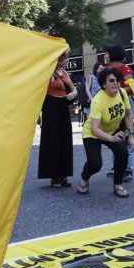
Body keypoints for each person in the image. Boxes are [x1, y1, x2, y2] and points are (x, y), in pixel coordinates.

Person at [77, 68, 134, 198]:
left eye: (118, 80)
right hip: (93, 133)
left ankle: (118, 185)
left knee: (122, 152)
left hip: (113, 129)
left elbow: (128, 116)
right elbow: (95, 129)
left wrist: (131, 136)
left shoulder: (122, 93)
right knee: (95, 164)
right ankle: (84, 178)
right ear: (104, 84)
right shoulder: (98, 101)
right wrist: (111, 138)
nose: (116, 83)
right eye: (112, 81)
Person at [39, 51, 77, 188]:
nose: (67, 60)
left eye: (67, 57)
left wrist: (73, 94)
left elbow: (74, 89)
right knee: (53, 142)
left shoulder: (65, 74)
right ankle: (55, 176)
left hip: (63, 108)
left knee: (65, 140)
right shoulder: (48, 73)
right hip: (51, 108)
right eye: (64, 58)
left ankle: (64, 175)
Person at [104, 44, 134, 180]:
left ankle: (127, 169)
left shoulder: (125, 69)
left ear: (113, 54)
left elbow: (132, 87)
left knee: (126, 135)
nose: (104, 56)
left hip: (125, 107)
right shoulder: (105, 70)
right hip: (110, 107)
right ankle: (117, 166)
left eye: (106, 53)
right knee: (114, 136)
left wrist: (116, 92)